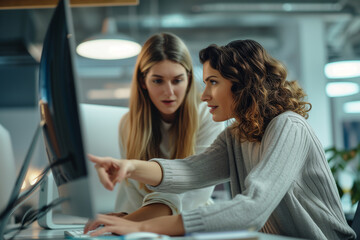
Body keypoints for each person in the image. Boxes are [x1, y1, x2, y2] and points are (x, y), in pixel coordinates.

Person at [86, 39, 356, 240]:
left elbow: (253, 208)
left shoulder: (288, 127)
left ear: (242, 83)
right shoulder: (235, 136)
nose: (204, 96)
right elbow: (190, 171)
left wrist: (141, 227)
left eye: (213, 82)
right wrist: (130, 167)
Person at [93, 32, 224, 222]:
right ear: (142, 82)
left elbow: (193, 193)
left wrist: (129, 221)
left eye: (177, 80)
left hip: (189, 224)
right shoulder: (128, 124)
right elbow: (133, 196)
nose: (169, 92)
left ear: (188, 79)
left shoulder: (207, 116)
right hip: (141, 226)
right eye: (158, 80)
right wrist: (124, 218)